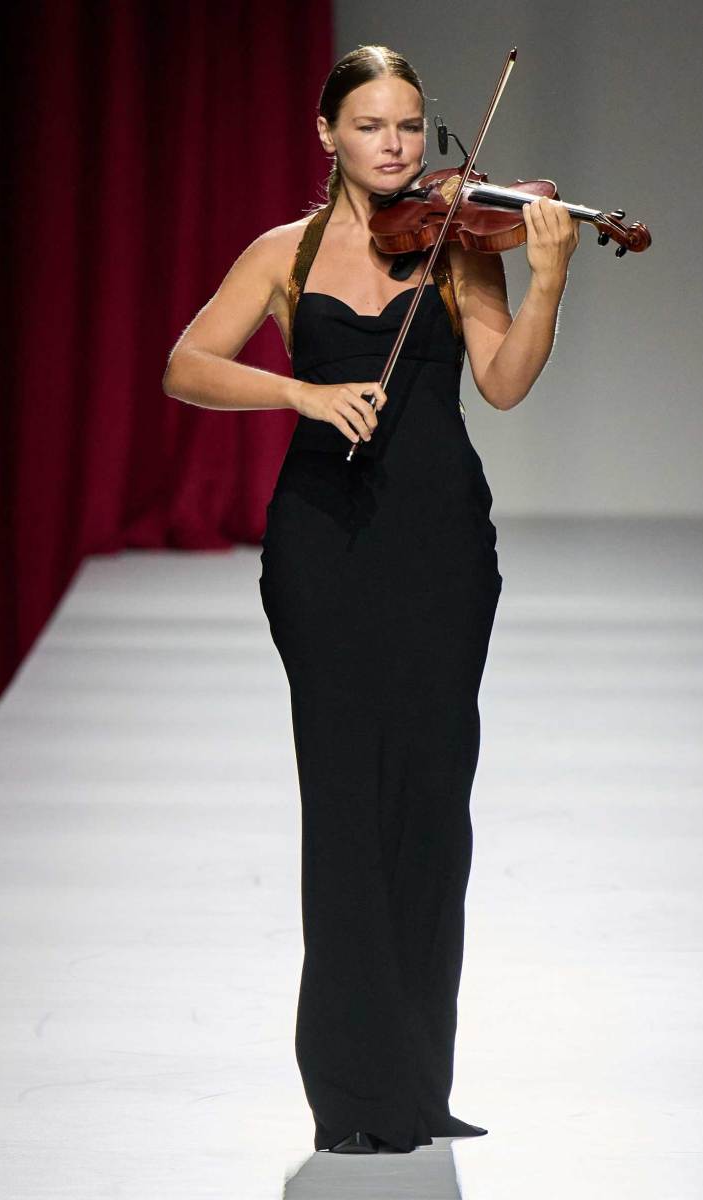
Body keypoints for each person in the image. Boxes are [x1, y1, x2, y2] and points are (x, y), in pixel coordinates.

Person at [162, 44, 580, 1155]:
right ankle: (351, 1096)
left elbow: (502, 383)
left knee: (433, 808)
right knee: (344, 804)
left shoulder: (458, 244)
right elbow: (186, 365)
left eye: (407, 125)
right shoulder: (282, 253)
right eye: (369, 126)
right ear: (327, 135)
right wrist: (299, 392)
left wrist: (548, 282)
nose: (393, 146)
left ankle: (418, 1087)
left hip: (441, 548)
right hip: (323, 548)